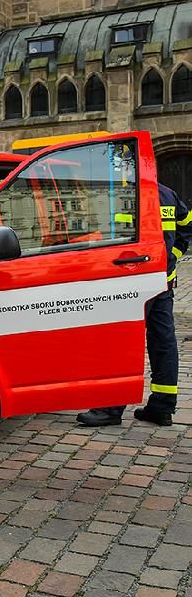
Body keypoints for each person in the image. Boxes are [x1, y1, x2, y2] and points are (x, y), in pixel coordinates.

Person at [78, 183, 192, 427]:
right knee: (163, 341)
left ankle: (111, 407)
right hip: (162, 280)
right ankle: (161, 407)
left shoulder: (126, 194)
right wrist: (171, 257)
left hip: (134, 280)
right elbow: (187, 226)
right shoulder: (168, 193)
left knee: (122, 340)